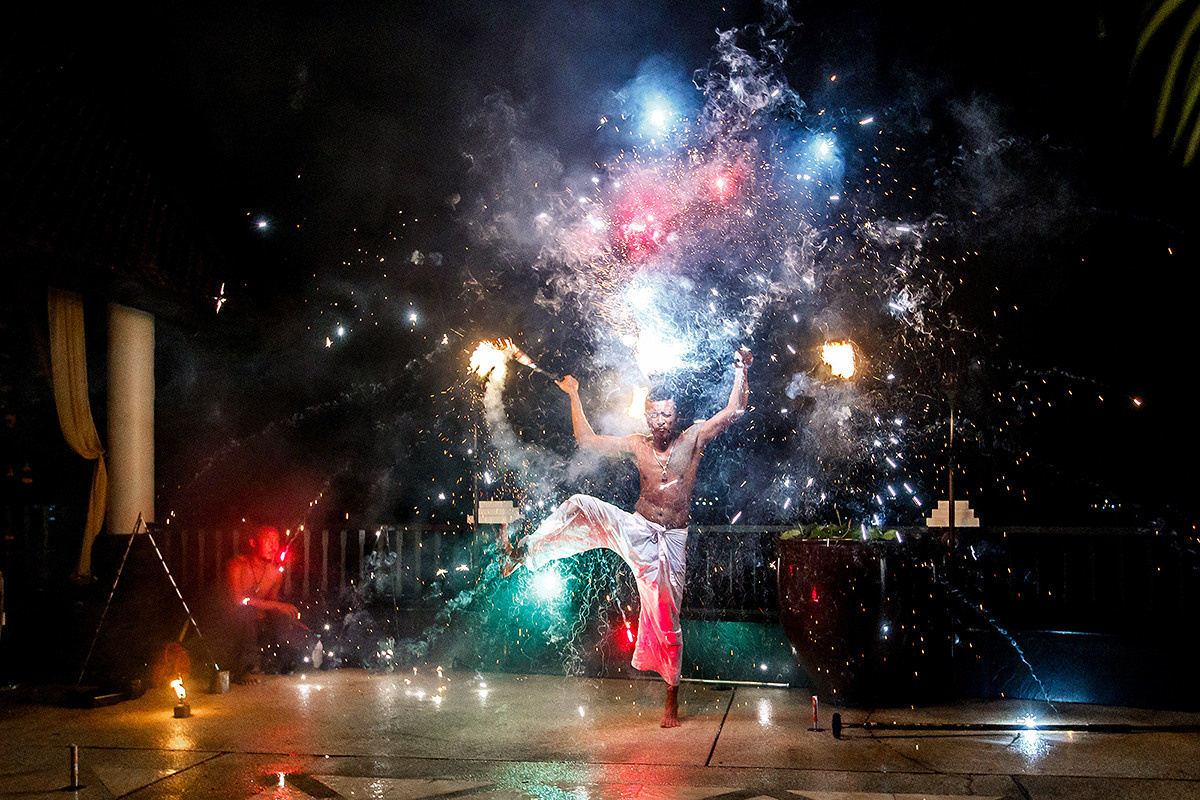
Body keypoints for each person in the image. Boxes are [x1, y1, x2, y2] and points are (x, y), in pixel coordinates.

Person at [500, 347, 753, 727]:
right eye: (652, 414)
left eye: (665, 414)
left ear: (677, 415)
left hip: (672, 540)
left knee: (665, 615)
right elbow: (587, 440)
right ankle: (526, 552)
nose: (658, 421)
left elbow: (734, 411)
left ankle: (671, 694)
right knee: (579, 504)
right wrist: (574, 395)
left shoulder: (694, 438)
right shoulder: (638, 444)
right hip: (637, 528)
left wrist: (741, 369)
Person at [224, 525, 306, 683]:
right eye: (268, 539)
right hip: (234, 626)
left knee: (284, 618)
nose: (274, 546)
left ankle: (277, 661)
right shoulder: (237, 565)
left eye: (276, 540)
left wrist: (292, 620)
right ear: (253, 543)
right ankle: (242, 670)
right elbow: (238, 600)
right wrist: (276, 606)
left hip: (259, 626)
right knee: (246, 612)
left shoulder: (275, 573)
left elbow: (272, 606)